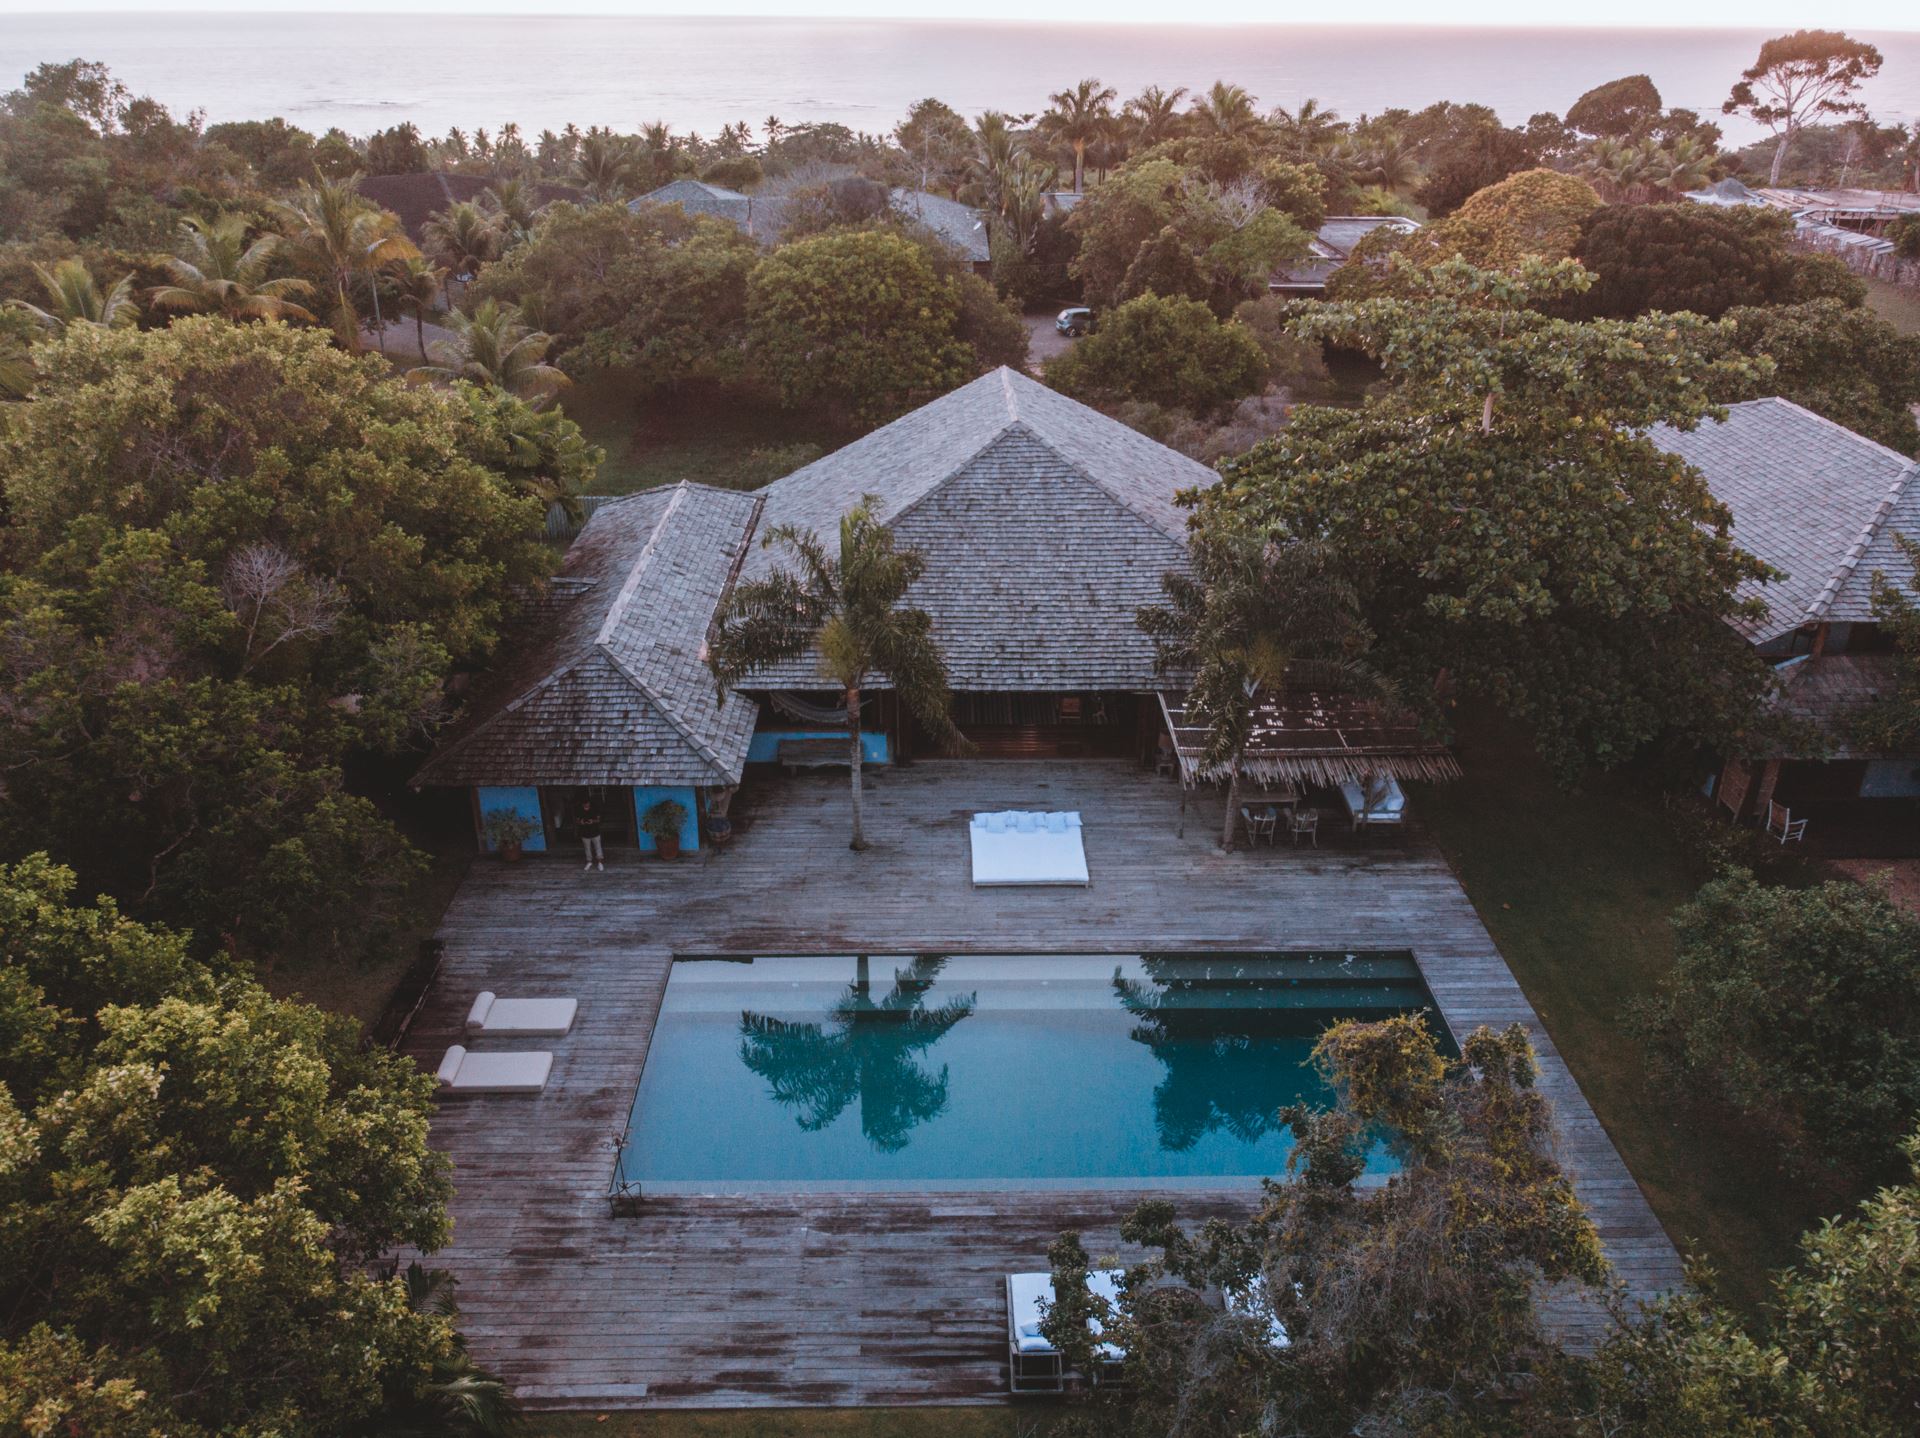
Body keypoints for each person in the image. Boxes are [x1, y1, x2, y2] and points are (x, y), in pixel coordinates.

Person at [577, 792, 604, 872]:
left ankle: (600, 863)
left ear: (589, 803)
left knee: (598, 847)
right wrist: (580, 822)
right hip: (584, 833)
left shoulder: (595, 808)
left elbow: (599, 819)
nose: (586, 805)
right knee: (587, 849)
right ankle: (589, 862)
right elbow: (577, 820)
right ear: (582, 804)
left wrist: (593, 821)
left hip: (595, 831)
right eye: (585, 804)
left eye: (587, 804)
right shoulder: (579, 809)